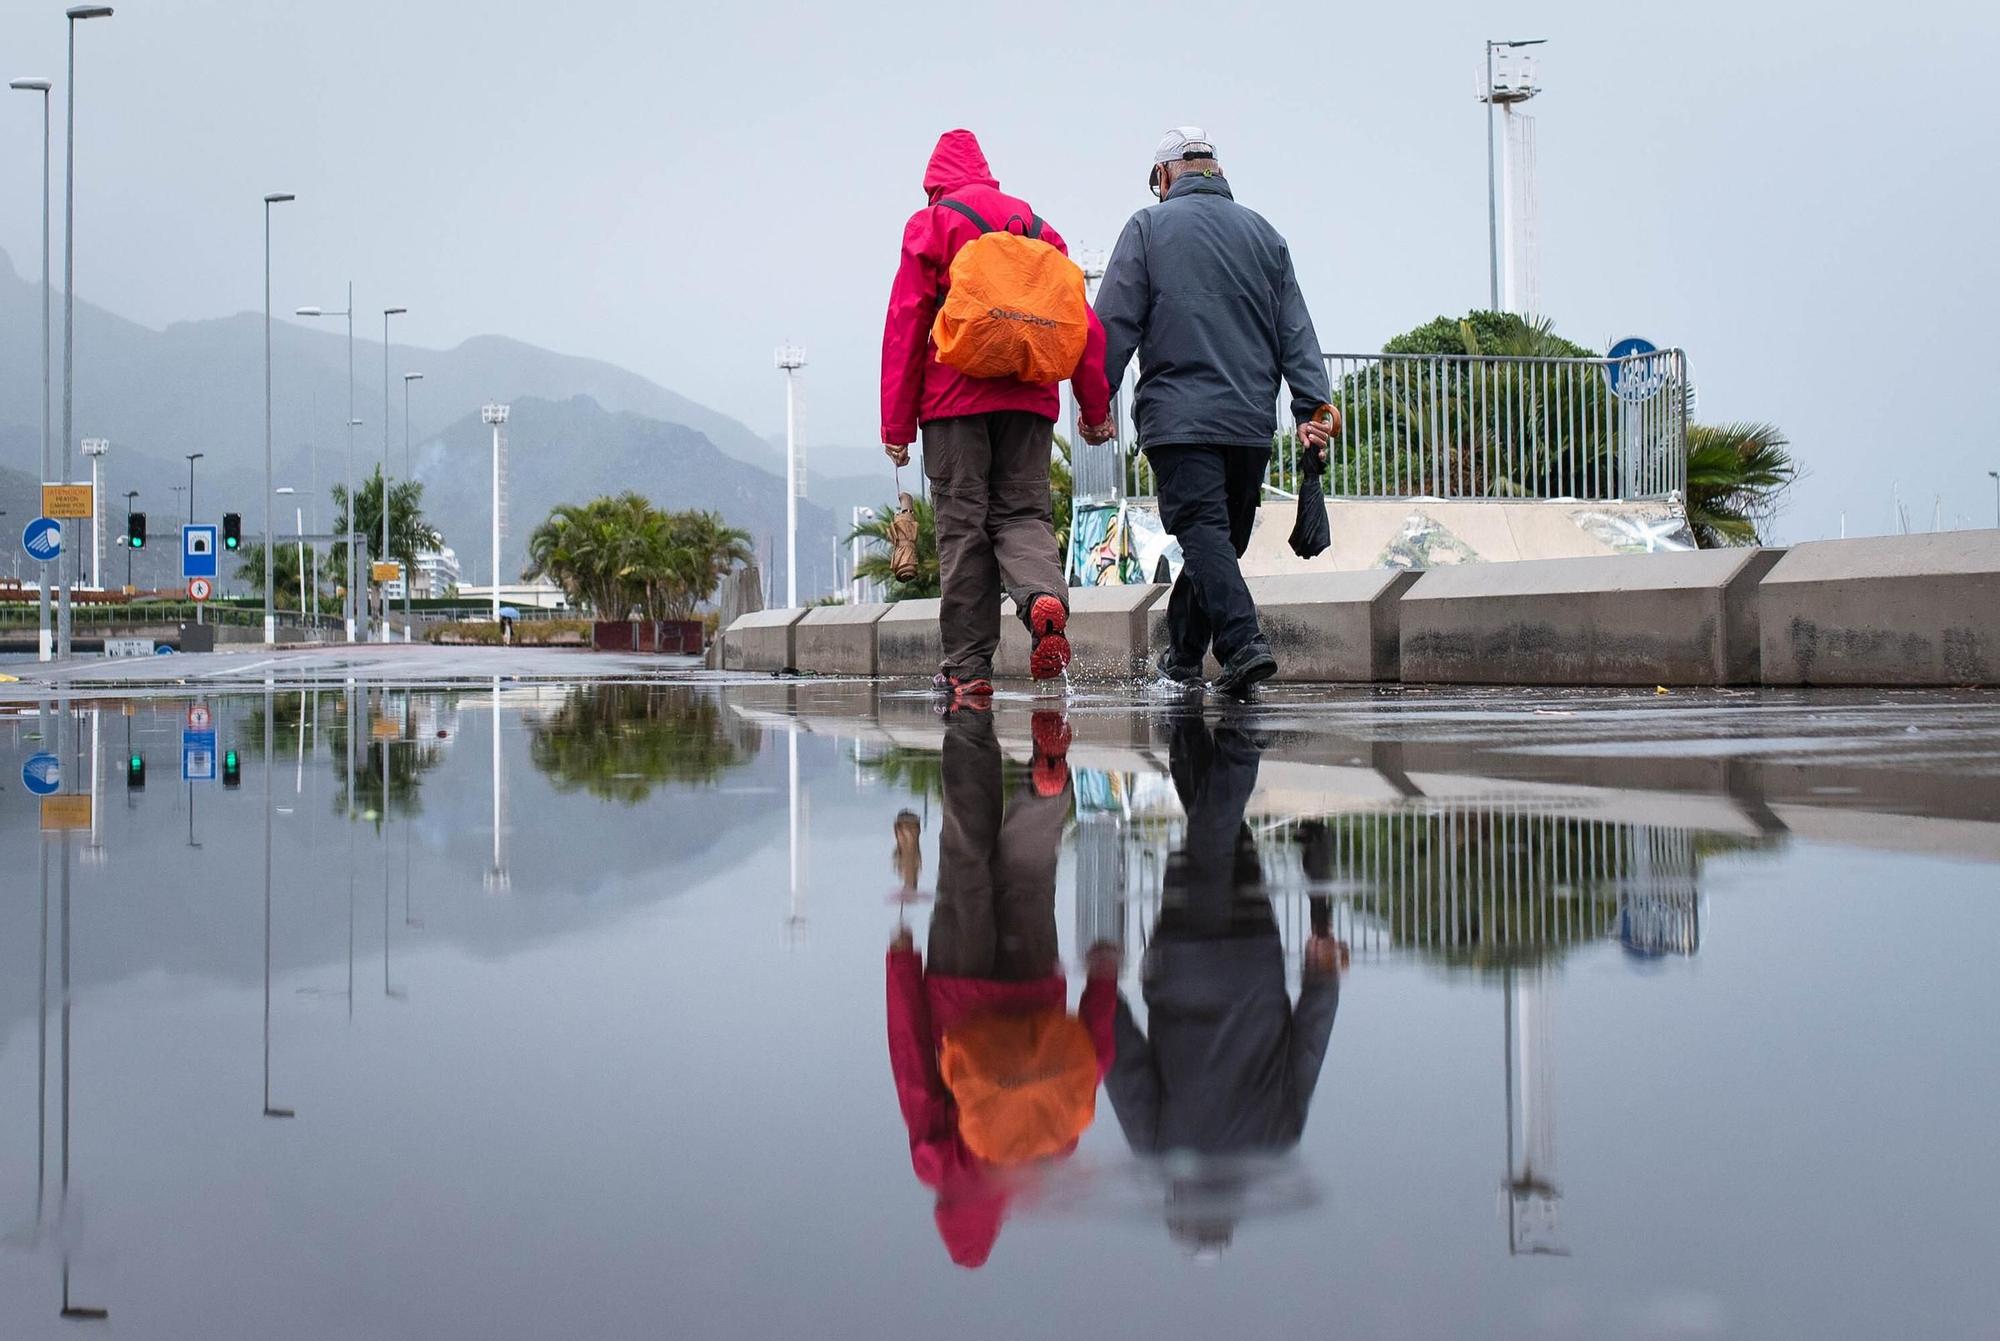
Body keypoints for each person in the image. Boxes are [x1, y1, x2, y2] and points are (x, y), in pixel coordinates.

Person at [1091, 126, 1339, 697]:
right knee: (1219, 539)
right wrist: (1311, 405)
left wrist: (1095, 398)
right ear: (1215, 171)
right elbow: (1295, 331)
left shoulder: (1147, 227)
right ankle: (1180, 662)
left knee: (1206, 535)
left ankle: (1243, 643)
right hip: (1249, 422)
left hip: (1179, 421)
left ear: (1163, 176)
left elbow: (1114, 323)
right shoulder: (1264, 234)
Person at [881, 130, 1113, 704]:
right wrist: (1094, 407)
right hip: (1030, 399)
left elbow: (907, 323)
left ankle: (967, 667)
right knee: (1023, 514)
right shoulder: (1038, 228)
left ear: (935, 182)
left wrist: (895, 425)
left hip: (953, 402)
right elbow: (1081, 320)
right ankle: (1040, 602)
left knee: (964, 528)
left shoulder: (932, 224)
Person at [884, 709, 1119, 1268]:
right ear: (949, 1208)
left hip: (1036, 990)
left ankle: (1046, 790)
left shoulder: (1048, 1152)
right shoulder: (938, 1168)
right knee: (966, 856)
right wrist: (900, 969)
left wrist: (1102, 985)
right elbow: (913, 1068)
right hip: (958, 996)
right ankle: (969, 723)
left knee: (1029, 879)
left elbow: (1091, 1068)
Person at [1105, 718, 1346, 1257]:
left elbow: (1307, 1051)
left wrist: (1323, 979)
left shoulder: (1275, 1147)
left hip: (1253, 958)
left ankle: (1187, 722)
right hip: (1183, 961)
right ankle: (1240, 737)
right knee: (1212, 834)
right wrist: (1105, 999)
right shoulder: (1161, 1153)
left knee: (1217, 833)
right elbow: (1124, 1068)